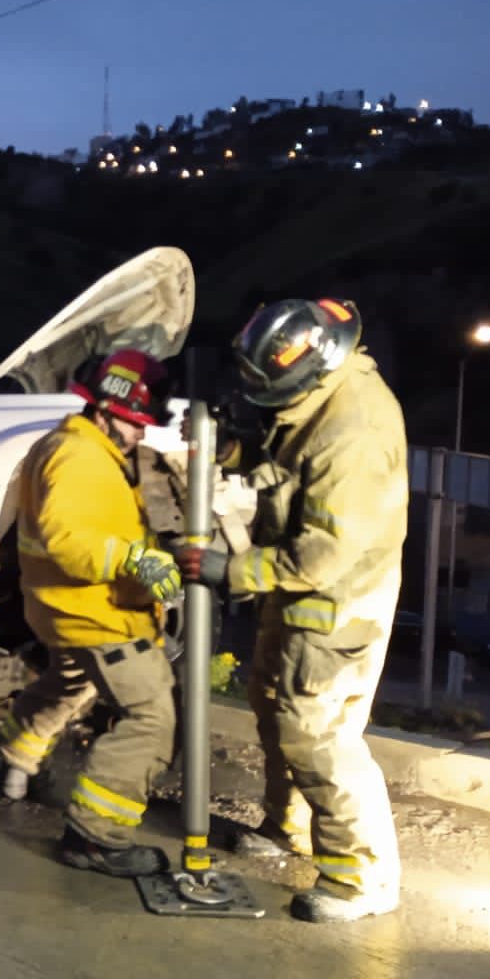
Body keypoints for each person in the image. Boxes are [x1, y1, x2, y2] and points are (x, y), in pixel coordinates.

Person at [176, 298, 406, 923]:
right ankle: (289, 830)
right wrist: (231, 453)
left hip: (336, 605)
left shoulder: (351, 433)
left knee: (320, 734)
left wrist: (234, 570)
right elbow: (288, 466)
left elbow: (326, 553)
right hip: (301, 596)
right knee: (275, 710)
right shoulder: (323, 397)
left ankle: (363, 878)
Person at [0, 349, 185, 877]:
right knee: (150, 719)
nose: (140, 434)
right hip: (96, 616)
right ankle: (95, 837)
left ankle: (15, 760)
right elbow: (68, 540)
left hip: (58, 610)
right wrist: (135, 559)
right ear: (103, 409)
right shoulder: (79, 457)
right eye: (134, 421)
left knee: (68, 682)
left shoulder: (69, 446)